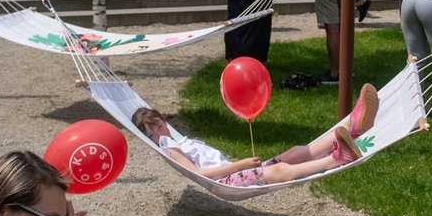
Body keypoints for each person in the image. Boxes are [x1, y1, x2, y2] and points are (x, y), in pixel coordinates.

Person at [132, 88, 378, 186]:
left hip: (233, 173)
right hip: (228, 182)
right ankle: (337, 159)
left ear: (163, 121)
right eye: (152, 134)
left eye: (159, 126)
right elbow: (200, 175)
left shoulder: (177, 141)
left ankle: (353, 124)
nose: (159, 134)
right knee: (280, 170)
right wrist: (241, 164)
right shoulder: (169, 148)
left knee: (293, 153)